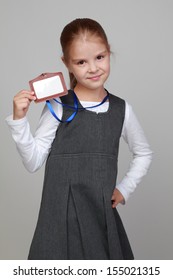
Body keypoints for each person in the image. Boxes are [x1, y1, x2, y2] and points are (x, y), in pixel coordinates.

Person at [6, 18, 152, 260]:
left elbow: (144, 152)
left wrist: (125, 188)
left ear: (108, 52)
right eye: (81, 62)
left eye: (99, 57)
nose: (93, 68)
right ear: (67, 64)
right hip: (58, 221)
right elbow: (32, 162)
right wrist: (20, 120)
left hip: (100, 216)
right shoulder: (58, 105)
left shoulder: (121, 109)